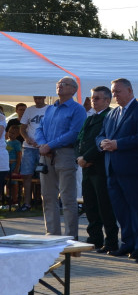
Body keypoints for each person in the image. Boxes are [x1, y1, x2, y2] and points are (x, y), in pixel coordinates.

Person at [98, 78, 138, 259]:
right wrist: (102, 143)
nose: (114, 95)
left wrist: (118, 144)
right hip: (112, 168)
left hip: (131, 169)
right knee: (120, 209)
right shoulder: (112, 114)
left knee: (137, 209)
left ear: (129, 91)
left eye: (118, 92)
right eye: (113, 92)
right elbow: (100, 135)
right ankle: (127, 243)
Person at [37, 77, 87, 239]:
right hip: (46, 156)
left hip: (65, 154)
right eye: (58, 84)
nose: (59, 87)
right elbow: (39, 129)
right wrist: (43, 145)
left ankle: (70, 237)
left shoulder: (77, 109)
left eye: (64, 84)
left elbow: (74, 133)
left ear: (73, 90)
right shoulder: (51, 109)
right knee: (48, 196)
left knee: (67, 198)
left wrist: (49, 145)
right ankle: (52, 234)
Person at [17, 96, 48, 211]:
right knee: (26, 175)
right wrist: (27, 138)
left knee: (46, 175)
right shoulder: (29, 110)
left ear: (44, 97)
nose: (37, 100)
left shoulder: (50, 109)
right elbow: (22, 128)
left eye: (39, 98)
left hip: (44, 147)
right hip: (29, 147)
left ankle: (45, 202)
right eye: (35, 98)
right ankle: (27, 203)